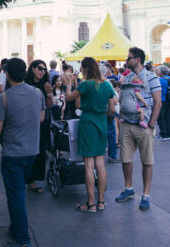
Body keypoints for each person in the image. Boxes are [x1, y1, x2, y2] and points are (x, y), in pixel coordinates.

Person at [0, 58, 45, 247]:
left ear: (8, 75)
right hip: (32, 151)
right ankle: (17, 226)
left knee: (15, 195)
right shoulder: (38, 93)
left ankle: (23, 241)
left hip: (13, 154)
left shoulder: (5, 98)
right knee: (17, 193)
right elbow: (41, 118)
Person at [65, 58, 116, 211]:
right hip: (101, 122)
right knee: (100, 164)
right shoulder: (107, 85)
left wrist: (68, 83)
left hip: (87, 122)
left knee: (88, 165)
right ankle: (101, 201)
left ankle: (91, 203)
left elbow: (69, 97)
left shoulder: (86, 84)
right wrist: (102, 113)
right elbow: (112, 109)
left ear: (86, 69)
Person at [115, 47, 162, 211]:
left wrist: (151, 125)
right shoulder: (126, 78)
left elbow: (158, 103)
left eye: (129, 58)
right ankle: (129, 188)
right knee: (125, 159)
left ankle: (146, 194)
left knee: (147, 161)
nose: (127, 61)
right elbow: (123, 98)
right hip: (127, 124)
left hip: (144, 126)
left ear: (138, 59)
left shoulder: (151, 77)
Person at [24, 60, 53, 194]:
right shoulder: (25, 83)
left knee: (39, 150)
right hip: (25, 121)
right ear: (33, 69)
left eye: (44, 69)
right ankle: (26, 178)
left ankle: (32, 180)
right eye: (40, 68)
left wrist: (48, 93)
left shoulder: (45, 84)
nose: (42, 71)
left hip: (40, 122)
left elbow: (50, 105)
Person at [157, 66, 170, 141]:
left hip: (162, 99)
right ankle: (169, 133)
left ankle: (164, 133)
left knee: (161, 116)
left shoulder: (161, 80)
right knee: (168, 116)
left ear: (161, 72)